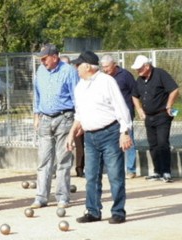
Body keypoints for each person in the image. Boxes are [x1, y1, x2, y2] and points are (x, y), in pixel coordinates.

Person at [67, 51, 132, 224]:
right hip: (90, 136)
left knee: (115, 175)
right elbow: (79, 114)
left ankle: (118, 211)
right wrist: (71, 133)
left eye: (78, 65)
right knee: (91, 176)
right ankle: (93, 211)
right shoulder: (80, 86)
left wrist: (124, 132)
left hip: (110, 133)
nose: (76, 68)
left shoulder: (106, 81)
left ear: (87, 66)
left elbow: (121, 108)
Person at [31, 44, 79, 209]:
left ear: (55, 56)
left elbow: (77, 97)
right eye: (41, 59)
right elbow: (36, 94)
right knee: (44, 160)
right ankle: (41, 196)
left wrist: (78, 122)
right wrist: (36, 115)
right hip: (45, 119)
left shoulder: (69, 71)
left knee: (63, 159)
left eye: (45, 59)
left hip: (64, 118)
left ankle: (62, 197)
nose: (43, 62)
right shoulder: (40, 71)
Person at [131, 55, 179, 183]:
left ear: (147, 66)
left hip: (162, 115)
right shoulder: (139, 80)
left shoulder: (160, 74)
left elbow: (174, 90)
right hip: (149, 117)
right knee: (153, 145)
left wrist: (169, 105)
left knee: (163, 143)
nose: (138, 71)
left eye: (140, 68)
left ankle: (166, 172)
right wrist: (139, 109)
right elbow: (134, 96)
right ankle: (157, 171)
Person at [100, 54, 137, 179]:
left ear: (114, 64)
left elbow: (135, 93)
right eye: (103, 67)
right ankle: (114, 170)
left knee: (128, 141)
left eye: (107, 67)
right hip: (110, 116)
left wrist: (136, 110)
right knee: (112, 145)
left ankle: (131, 170)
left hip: (125, 114)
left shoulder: (125, 75)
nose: (105, 69)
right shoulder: (103, 77)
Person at [60, 55, 85, 178]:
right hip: (64, 115)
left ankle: (80, 169)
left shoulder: (78, 78)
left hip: (77, 114)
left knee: (80, 144)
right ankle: (61, 170)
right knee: (63, 144)